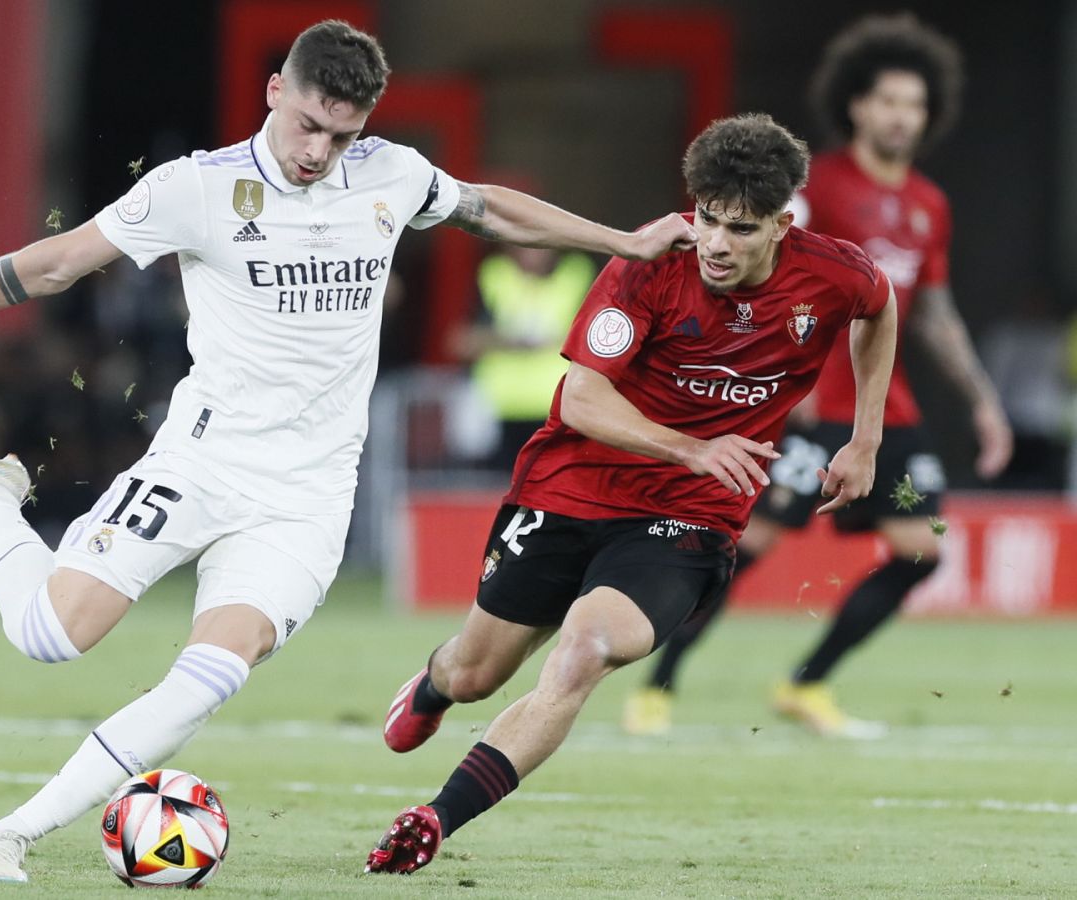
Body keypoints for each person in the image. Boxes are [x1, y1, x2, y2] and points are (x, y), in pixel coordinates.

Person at [0, 19, 695, 883]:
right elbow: (56, 264)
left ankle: (6, 837)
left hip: (307, 500)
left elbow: (485, 205)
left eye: (342, 133)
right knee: (52, 636)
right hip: (199, 463)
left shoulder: (390, 172)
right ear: (277, 90)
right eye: (310, 124)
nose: (321, 150)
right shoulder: (195, 189)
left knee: (207, 677)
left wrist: (622, 242)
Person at [366, 112, 898, 875]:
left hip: (688, 517)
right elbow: (581, 399)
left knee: (582, 652)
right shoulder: (650, 264)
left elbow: (879, 309)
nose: (715, 242)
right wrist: (695, 446)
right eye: (707, 218)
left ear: (783, 224)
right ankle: (437, 681)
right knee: (478, 673)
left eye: (740, 229)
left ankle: (434, 817)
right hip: (570, 486)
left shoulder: (832, 272)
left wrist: (866, 437)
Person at [624, 13, 1012, 740]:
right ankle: (658, 684)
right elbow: (749, 271)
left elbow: (932, 314)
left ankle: (805, 685)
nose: (903, 116)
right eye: (890, 100)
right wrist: (769, 378)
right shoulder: (820, 187)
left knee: (920, 549)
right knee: (748, 546)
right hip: (806, 407)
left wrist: (984, 405)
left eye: (915, 104)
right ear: (858, 104)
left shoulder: (929, 206)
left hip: (882, 415)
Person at [449, 242, 597, 467]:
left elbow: (598, 339)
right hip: (500, 408)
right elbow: (461, 340)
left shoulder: (577, 275)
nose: (533, 254)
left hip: (558, 408)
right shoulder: (494, 276)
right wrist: (511, 341)